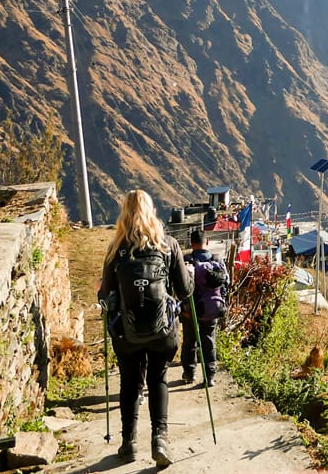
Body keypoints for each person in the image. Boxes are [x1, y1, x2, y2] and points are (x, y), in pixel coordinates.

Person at [99, 190, 193, 467]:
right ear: (151, 211)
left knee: (129, 382)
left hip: (126, 334)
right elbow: (185, 290)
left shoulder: (115, 250)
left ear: (123, 214)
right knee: (158, 379)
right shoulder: (168, 245)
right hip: (162, 331)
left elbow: (105, 296)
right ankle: (160, 440)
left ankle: (128, 445)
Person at [180, 229, 229, 385]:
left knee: (189, 341)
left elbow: (181, 286)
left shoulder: (186, 260)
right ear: (206, 242)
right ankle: (210, 376)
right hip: (212, 308)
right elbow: (226, 284)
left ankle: (189, 373)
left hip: (192, 309)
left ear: (191, 244)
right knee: (209, 341)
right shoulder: (217, 260)